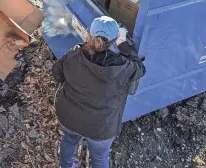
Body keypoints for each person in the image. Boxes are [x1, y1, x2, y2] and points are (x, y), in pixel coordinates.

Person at [52, 16, 146, 168]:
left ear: (89, 34)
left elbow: (57, 74)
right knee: (99, 158)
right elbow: (140, 68)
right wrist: (123, 45)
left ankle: (66, 165)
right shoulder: (123, 67)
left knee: (69, 140)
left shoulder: (73, 55)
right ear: (115, 38)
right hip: (101, 127)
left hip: (70, 117)